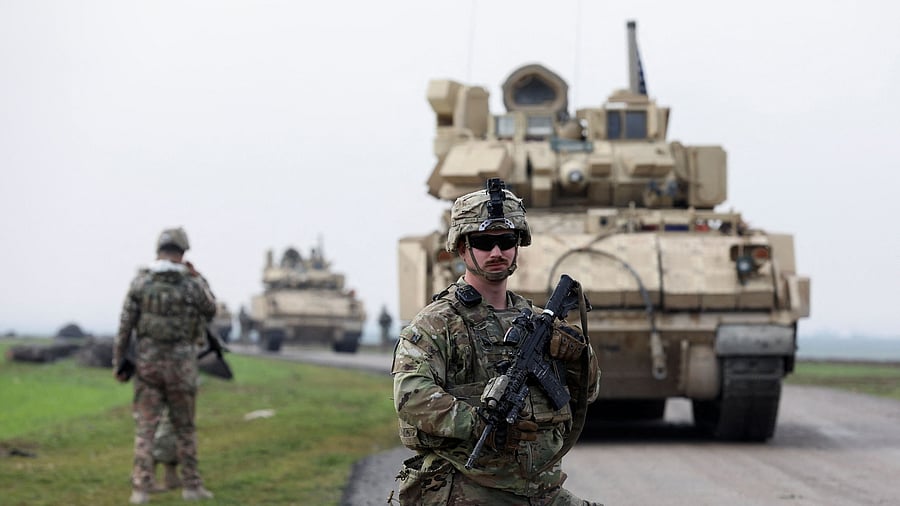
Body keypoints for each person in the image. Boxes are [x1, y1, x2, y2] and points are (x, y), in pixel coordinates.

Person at [392, 179, 602, 505]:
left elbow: (587, 394)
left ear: (517, 245)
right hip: (467, 487)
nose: (496, 252)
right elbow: (410, 395)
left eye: (506, 241)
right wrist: (476, 424)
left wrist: (578, 360)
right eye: (482, 242)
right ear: (462, 247)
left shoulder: (539, 321)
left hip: (539, 490)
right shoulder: (438, 323)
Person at [114, 227, 217, 504]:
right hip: (182, 367)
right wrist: (198, 278)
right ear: (183, 253)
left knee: (146, 428)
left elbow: (125, 327)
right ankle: (192, 487)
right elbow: (210, 310)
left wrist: (119, 362)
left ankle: (140, 490)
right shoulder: (191, 284)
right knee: (185, 428)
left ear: (158, 250)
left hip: (148, 367)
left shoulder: (141, 282)